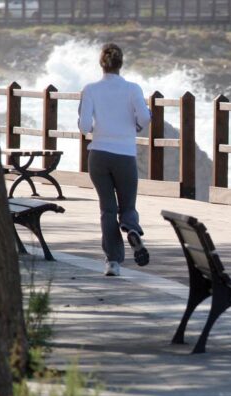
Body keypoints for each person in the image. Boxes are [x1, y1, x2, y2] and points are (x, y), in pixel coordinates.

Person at [77, 43, 151, 276]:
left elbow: (84, 126)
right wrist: (136, 124)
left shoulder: (90, 89)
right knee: (127, 205)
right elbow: (144, 118)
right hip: (125, 155)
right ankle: (131, 228)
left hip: (98, 155)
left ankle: (113, 262)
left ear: (102, 64)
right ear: (121, 64)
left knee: (107, 209)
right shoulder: (133, 88)